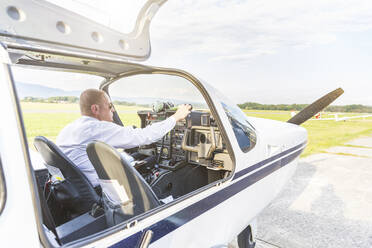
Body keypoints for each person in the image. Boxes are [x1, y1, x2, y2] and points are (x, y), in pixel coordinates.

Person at [56, 89, 191, 188]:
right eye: (110, 106)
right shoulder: (97, 128)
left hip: (78, 188)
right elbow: (144, 136)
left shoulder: (69, 129)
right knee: (151, 164)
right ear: (95, 109)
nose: (113, 110)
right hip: (101, 189)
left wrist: (132, 156)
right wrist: (176, 117)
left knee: (141, 157)